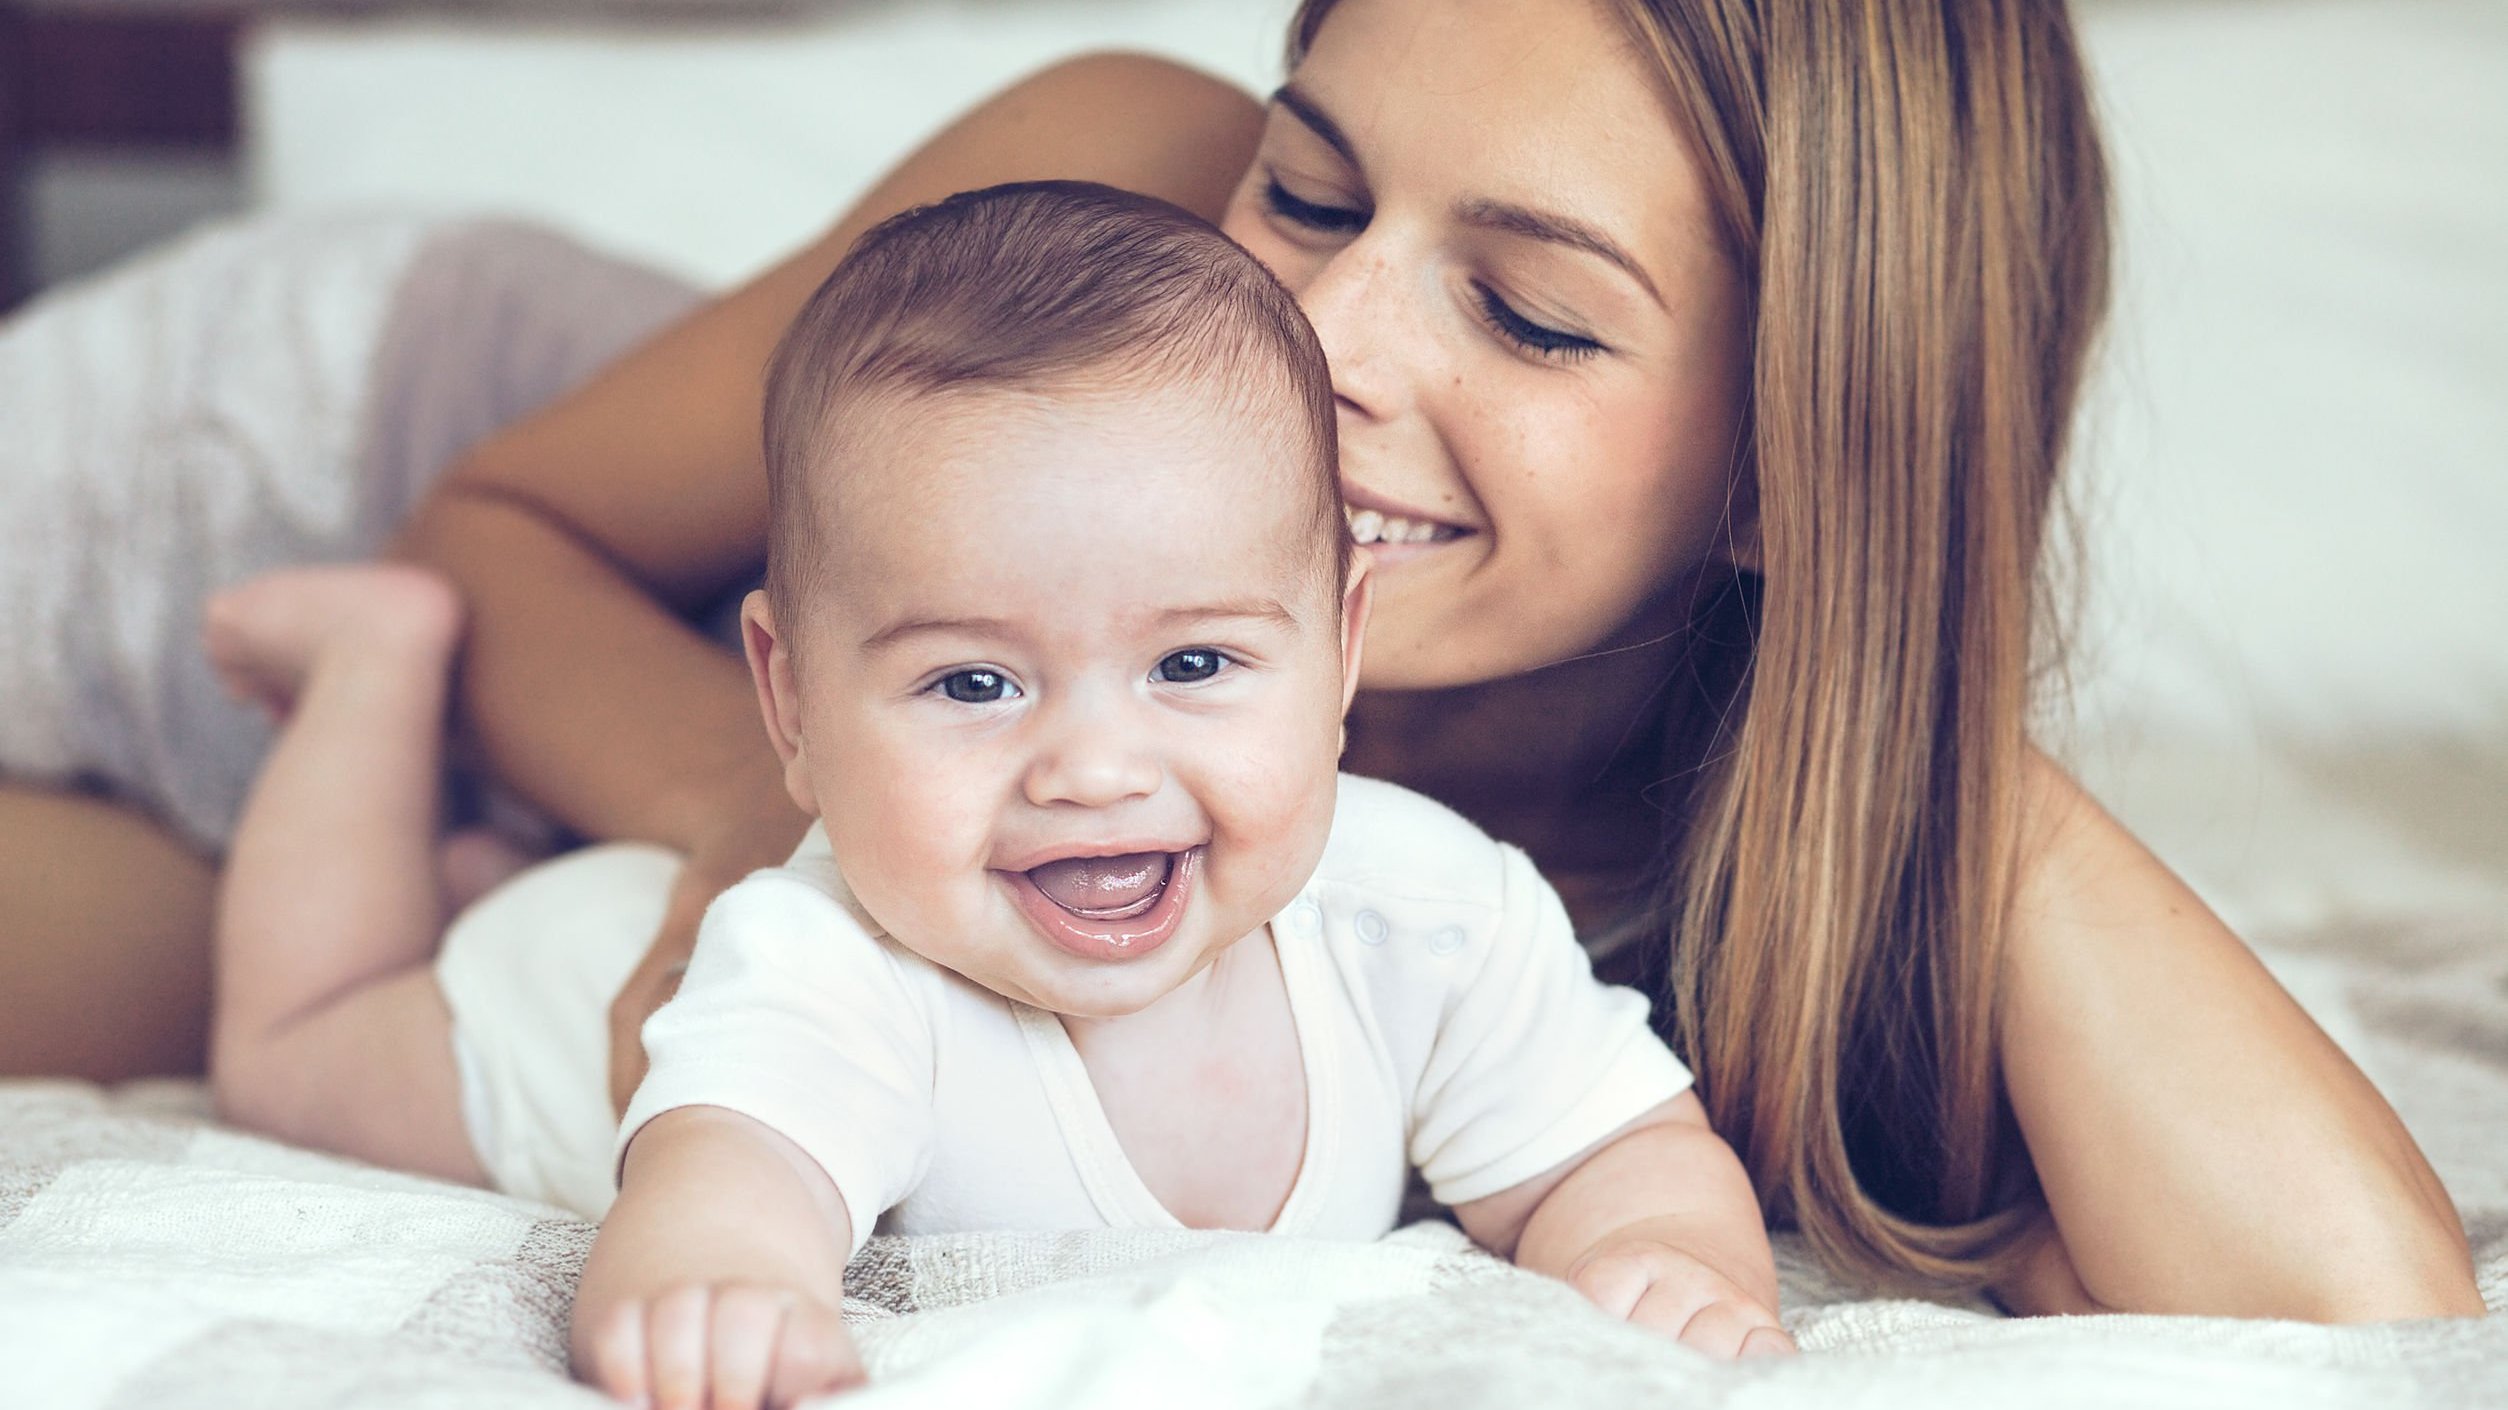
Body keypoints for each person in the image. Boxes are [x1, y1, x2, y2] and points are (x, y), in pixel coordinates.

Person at [0, 0, 2483, 1320]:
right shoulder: (1117, 175)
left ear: (1793, 460)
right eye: (1309, 186)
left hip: (459, 897)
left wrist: (1902, 650)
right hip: (311, 505)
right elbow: (497, 526)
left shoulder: (1684, 876)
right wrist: (816, 850)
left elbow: (2353, 1308)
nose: (1311, 339)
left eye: (1525, 310)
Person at [205, 185, 1793, 1408]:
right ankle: (371, 665)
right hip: (567, 1006)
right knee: (295, 1056)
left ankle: (484, 845)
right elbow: (731, 1177)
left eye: (1196, 665)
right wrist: (720, 1286)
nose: (1094, 770)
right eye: (974, 684)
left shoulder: (1427, 917)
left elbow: (1610, 1142)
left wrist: (1658, 1251)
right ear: (792, 702)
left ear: (1341, 644)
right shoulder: (832, 964)